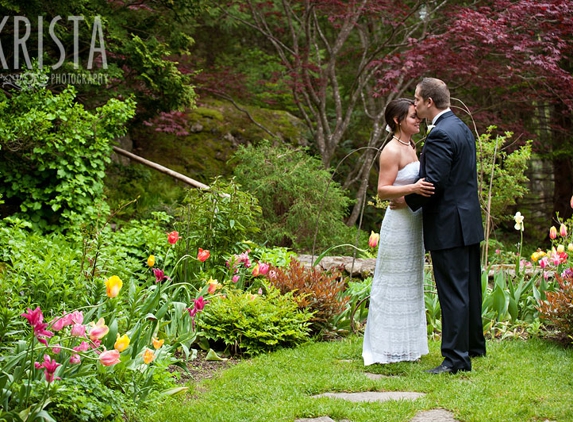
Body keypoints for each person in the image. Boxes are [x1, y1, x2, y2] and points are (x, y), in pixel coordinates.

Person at [404, 77, 486, 374]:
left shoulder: (439, 134)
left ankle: (455, 360)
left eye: (416, 98)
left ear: (429, 102)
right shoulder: (461, 127)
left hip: (449, 224)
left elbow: (432, 183)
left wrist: (404, 201)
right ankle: (474, 346)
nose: (413, 104)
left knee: (452, 291)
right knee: (469, 289)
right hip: (467, 221)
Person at [362, 98, 434, 366]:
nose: (419, 120)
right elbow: (382, 190)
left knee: (410, 283)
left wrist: (410, 197)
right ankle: (385, 348)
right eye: (414, 116)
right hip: (398, 225)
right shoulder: (391, 150)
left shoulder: (412, 146)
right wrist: (412, 190)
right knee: (392, 283)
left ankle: (405, 347)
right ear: (397, 120)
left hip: (413, 222)